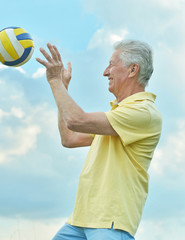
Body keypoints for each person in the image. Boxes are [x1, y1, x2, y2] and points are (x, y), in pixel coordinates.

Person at [36, 40, 162, 240]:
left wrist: (55, 82)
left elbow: (76, 120)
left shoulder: (143, 112)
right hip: (81, 220)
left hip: (111, 222)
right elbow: (69, 138)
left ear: (132, 70)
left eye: (112, 64)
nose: (105, 72)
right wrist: (63, 88)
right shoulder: (118, 114)